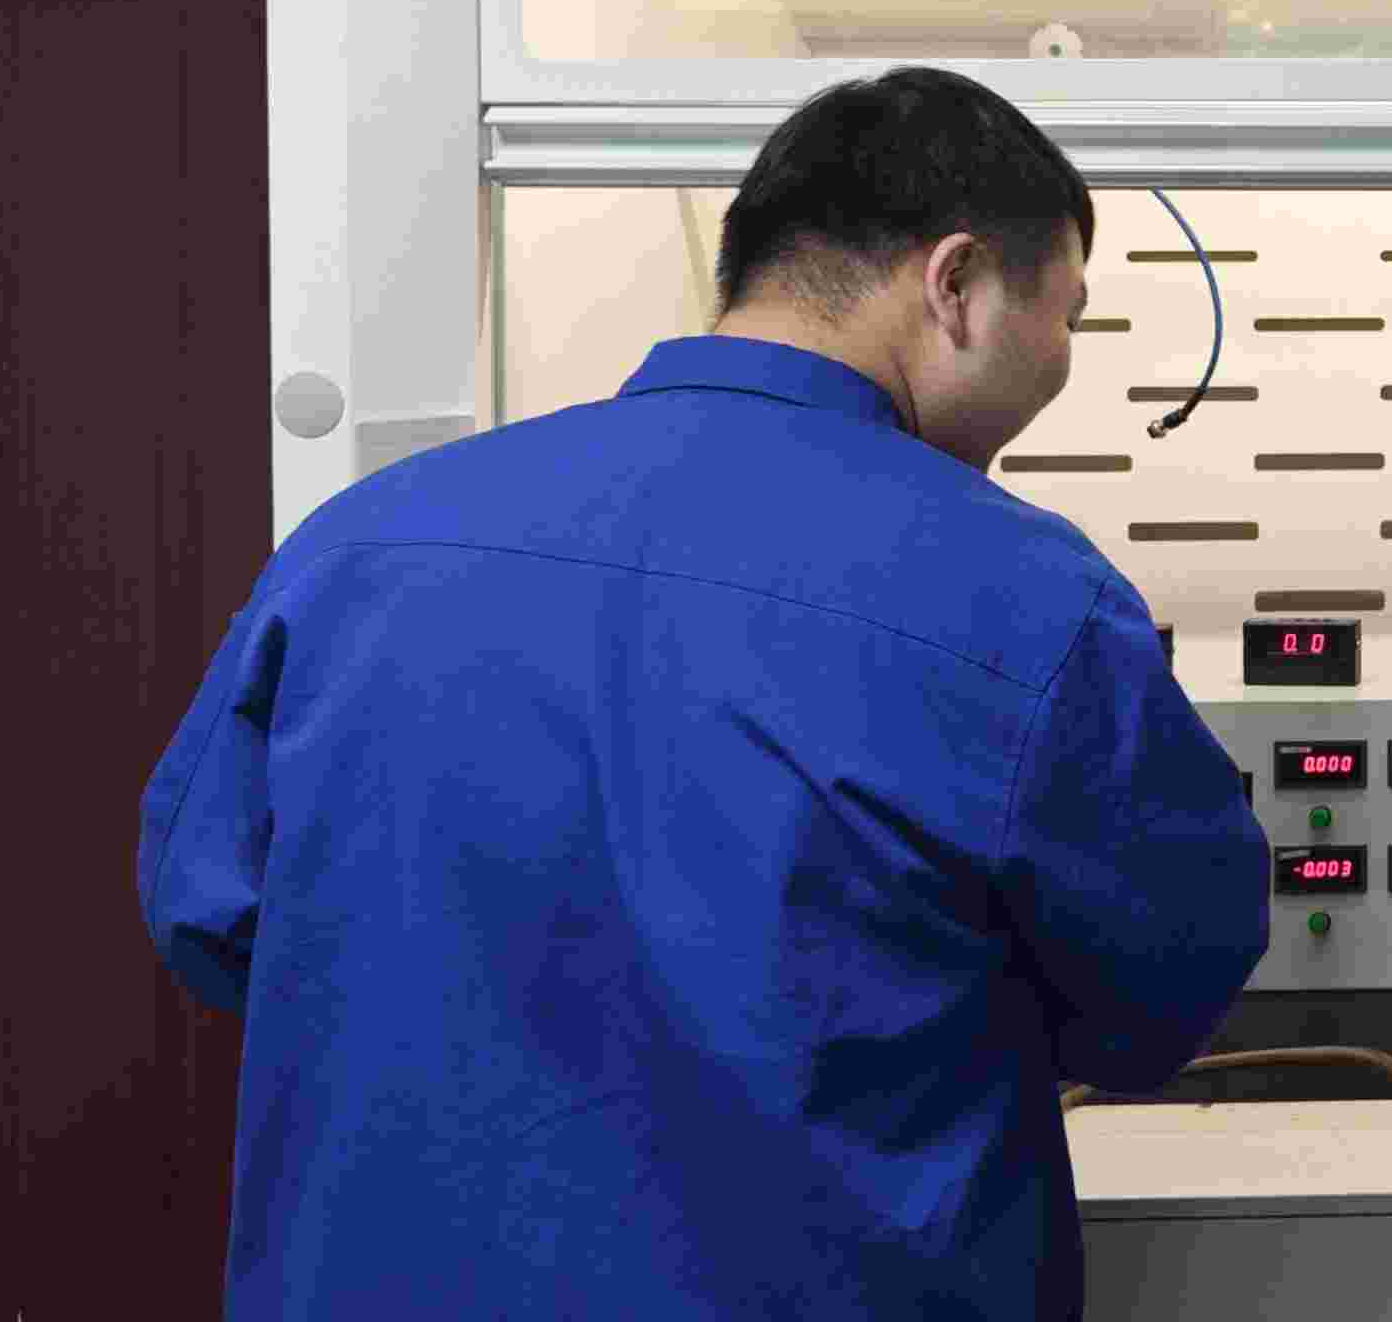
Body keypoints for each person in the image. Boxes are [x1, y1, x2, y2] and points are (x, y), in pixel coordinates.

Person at [136, 67, 1265, 1320]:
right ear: (956, 285)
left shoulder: (358, 544)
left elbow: (212, 919)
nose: (1059, 363)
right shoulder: (1027, 601)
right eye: (1066, 317)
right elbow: (1161, 991)